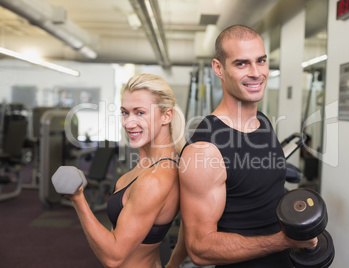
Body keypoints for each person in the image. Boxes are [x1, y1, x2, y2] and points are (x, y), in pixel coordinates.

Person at [168, 25, 317, 267]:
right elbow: (200, 249)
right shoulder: (205, 150)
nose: (256, 72)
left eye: (261, 61)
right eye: (242, 64)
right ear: (219, 68)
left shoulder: (263, 123)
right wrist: (283, 241)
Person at [67, 73, 186, 268]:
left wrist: (78, 199)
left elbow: (114, 257)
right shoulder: (152, 166)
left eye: (140, 112)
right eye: (125, 112)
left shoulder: (155, 179)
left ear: (167, 115)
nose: (128, 123)